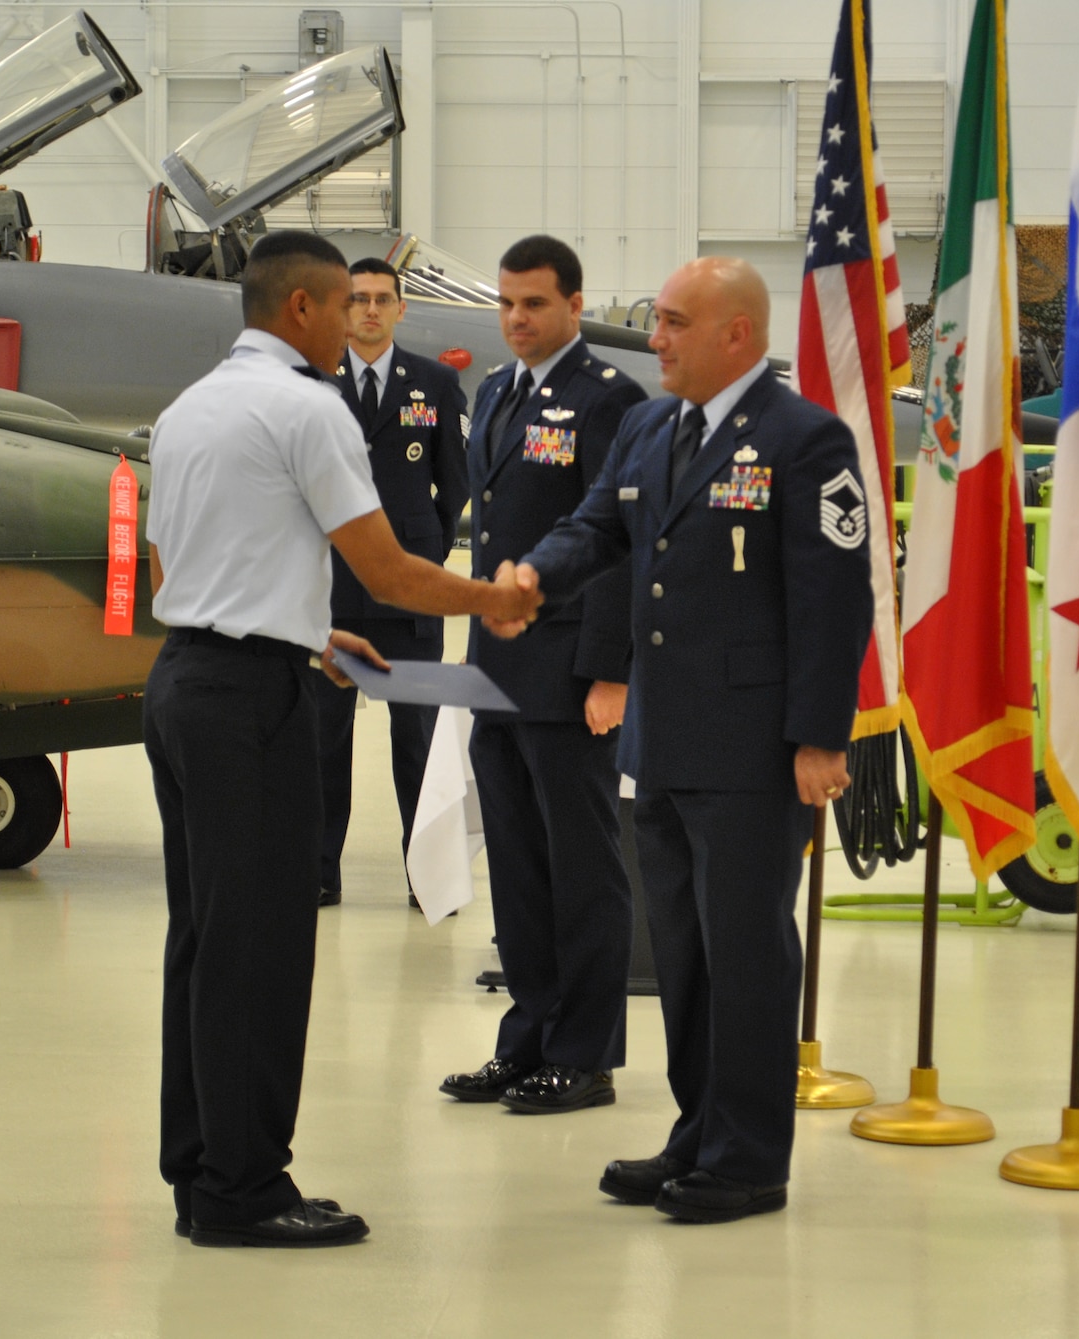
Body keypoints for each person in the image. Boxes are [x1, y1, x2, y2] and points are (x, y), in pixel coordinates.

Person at [142, 231, 539, 1250]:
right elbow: (396, 571)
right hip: (246, 705)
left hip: (186, 680)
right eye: (340, 303)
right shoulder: (306, 406)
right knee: (263, 947)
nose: (354, 318)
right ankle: (244, 1185)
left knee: (203, 939)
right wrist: (494, 596)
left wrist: (304, 629)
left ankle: (200, 1167)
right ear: (308, 311)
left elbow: (183, 563)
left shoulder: (190, 405)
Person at [492, 256, 873, 1222]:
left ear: (734, 335)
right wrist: (529, 579)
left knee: (746, 950)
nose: (652, 338)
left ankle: (748, 1155)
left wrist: (821, 738)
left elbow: (835, 602)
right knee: (685, 952)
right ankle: (696, 1130)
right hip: (660, 741)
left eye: (669, 322)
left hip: (753, 751)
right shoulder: (651, 425)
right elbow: (597, 531)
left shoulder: (805, 439)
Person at [438, 235, 647, 1116]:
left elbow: (620, 545)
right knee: (519, 866)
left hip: (569, 671)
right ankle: (526, 1039)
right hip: (498, 666)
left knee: (582, 869)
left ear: (574, 304)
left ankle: (586, 1053)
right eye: (507, 304)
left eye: (534, 304)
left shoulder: (610, 400)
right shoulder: (494, 391)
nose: (517, 320)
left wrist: (608, 672)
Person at [312, 257, 470, 909]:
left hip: (410, 591)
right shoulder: (313, 383)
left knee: (418, 738)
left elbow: (455, 483)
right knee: (324, 739)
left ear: (402, 309)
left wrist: (417, 541)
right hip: (329, 590)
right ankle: (319, 872)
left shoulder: (434, 383)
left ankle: (424, 875)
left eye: (383, 299)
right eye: (358, 299)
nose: (370, 309)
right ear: (342, 310)